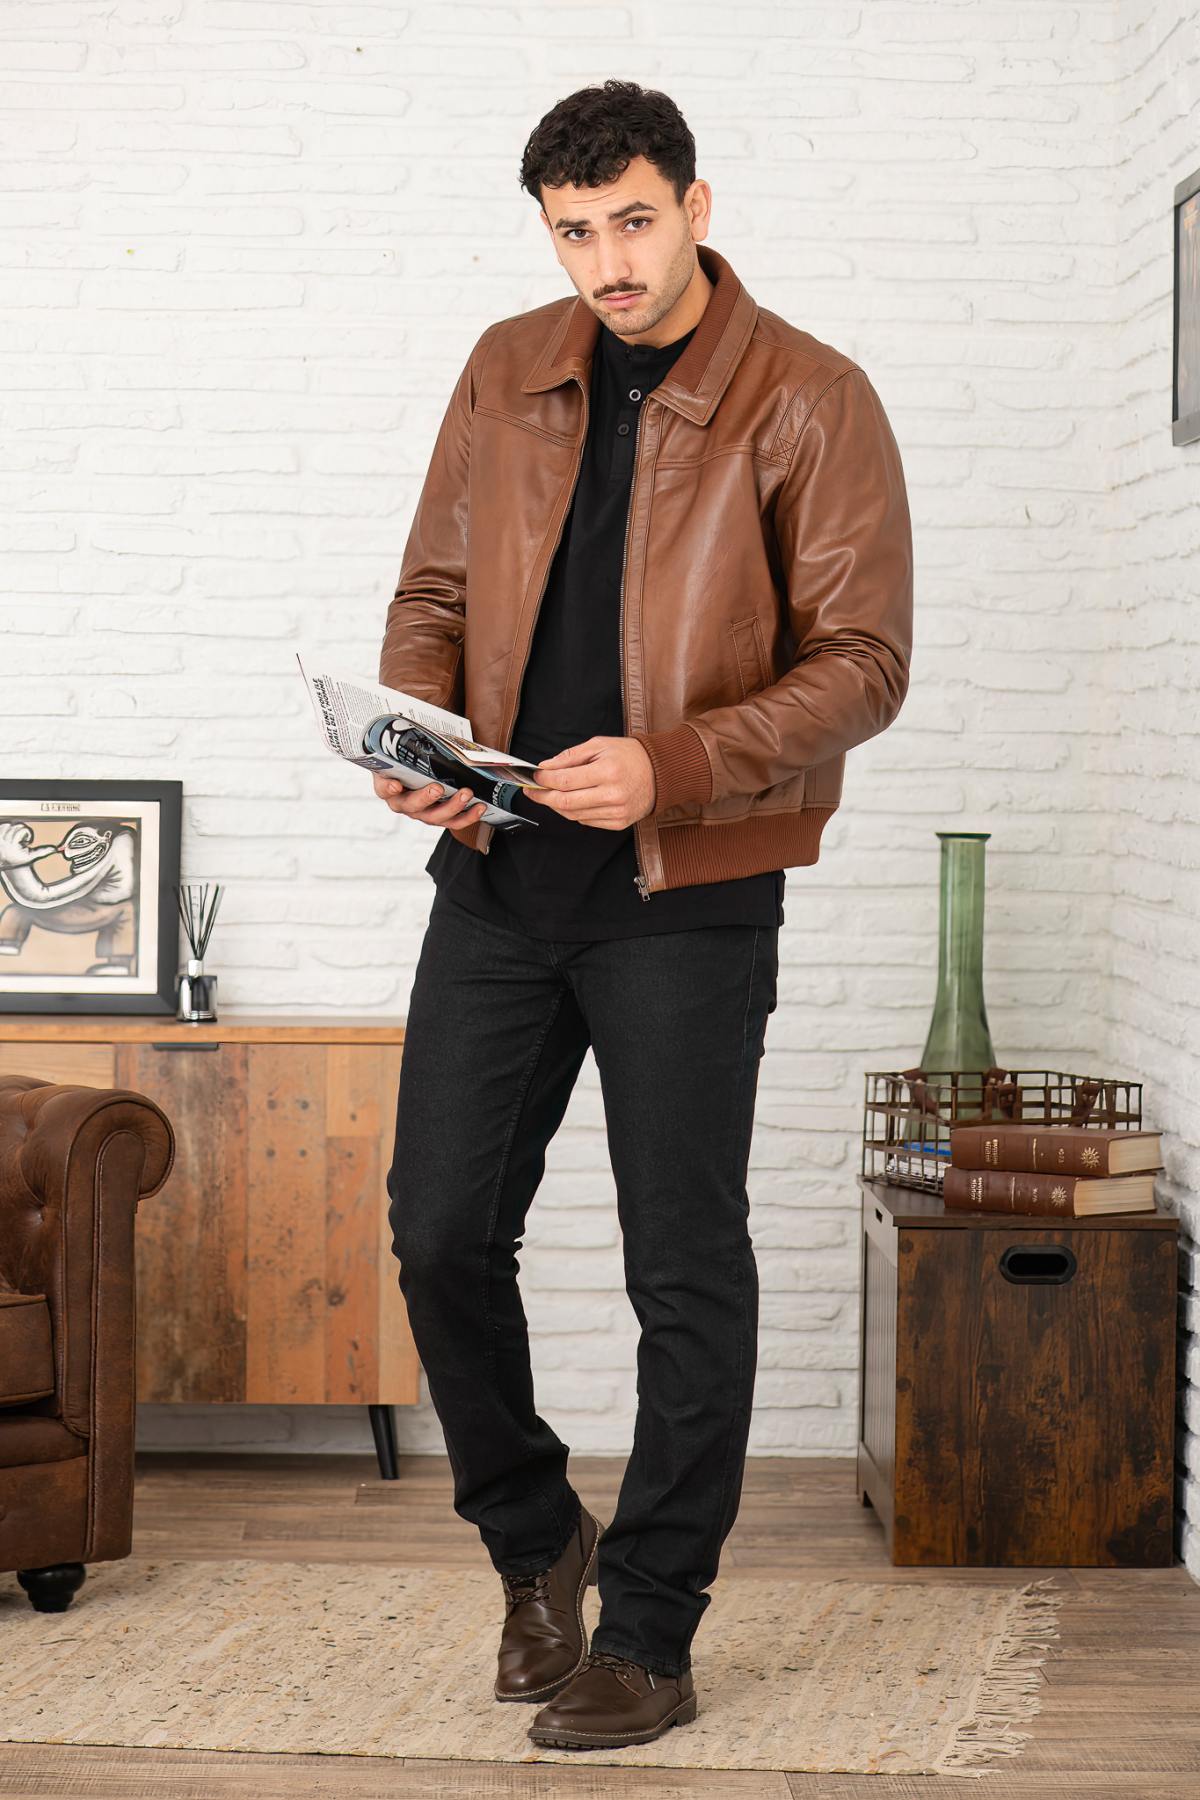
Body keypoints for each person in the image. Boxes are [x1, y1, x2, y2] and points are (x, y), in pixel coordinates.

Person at [377, 78, 913, 1752]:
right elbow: (435, 592)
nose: (606, 262)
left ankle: (655, 1631)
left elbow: (865, 664)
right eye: (573, 232)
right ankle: (536, 1541)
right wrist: (420, 744)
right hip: (499, 877)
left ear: (695, 206)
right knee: (439, 1230)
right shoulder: (505, 367)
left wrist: (673, 767)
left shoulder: (810, 396)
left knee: (682, 1265)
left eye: (631, 221)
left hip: (690, 895)